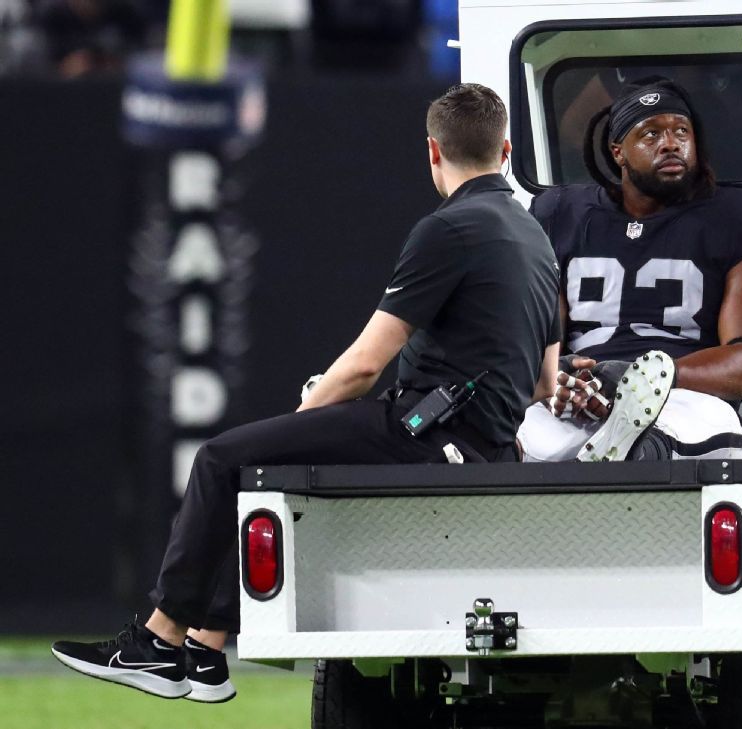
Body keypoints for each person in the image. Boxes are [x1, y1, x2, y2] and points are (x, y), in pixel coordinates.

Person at [50, 83, 561, 703]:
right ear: (506, 149)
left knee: (222, 458)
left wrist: (309, 407)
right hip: (490, 448)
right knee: (272, 469)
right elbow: (542, 384)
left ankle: (159, 644)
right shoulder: (538, 241)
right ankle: (209, 651)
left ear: (432, 151)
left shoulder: (449, 229)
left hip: (426, 436)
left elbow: (363, 368)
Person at [520, 78, 742, 462]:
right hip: (586, 400)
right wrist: (558, 376)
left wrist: (641, 379)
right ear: (618, 151)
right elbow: (532, 342)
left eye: (681, 131)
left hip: (686, 400)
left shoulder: (738, 217)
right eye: (651, 134)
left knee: (649, 451)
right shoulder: (561, 214)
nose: (670, 143)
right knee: (518, 442)